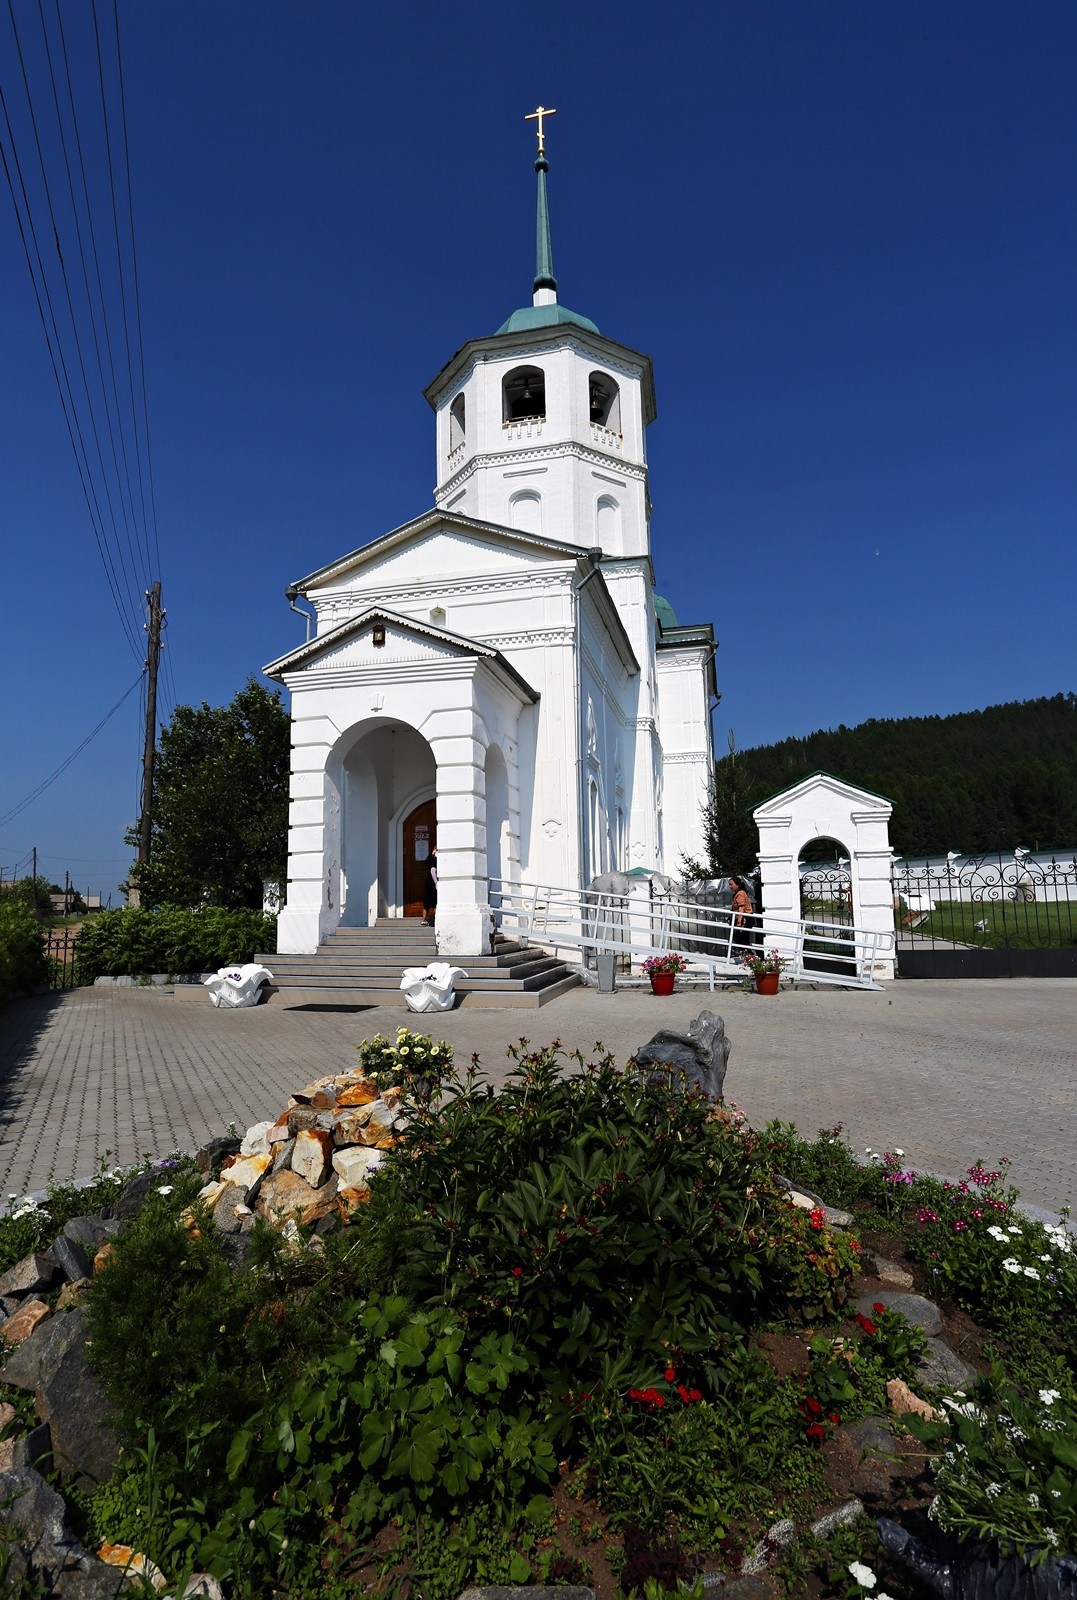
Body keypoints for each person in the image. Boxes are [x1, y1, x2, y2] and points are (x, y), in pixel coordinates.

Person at [423, 847, 437, 926]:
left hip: (428, 882)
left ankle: (424, 919)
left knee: (427, 902)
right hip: (432, 882)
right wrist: (436, 882)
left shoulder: (429, 858)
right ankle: (437, 918)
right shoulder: (434, 859)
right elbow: (433, 871)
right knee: (435, 901)